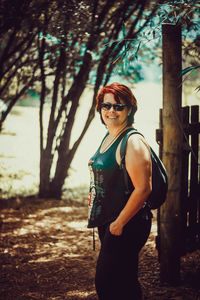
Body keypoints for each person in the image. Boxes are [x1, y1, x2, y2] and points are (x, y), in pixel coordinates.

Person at [88, 82, 152, 300]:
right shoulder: (109, 136)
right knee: (123, 280)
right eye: (106, 106)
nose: (111, 111)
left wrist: (119, 223)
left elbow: (144, 189)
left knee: (107, 282)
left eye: (118, 106)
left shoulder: (132, 142)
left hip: (128, 222)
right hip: (111, 221)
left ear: (130, 109)